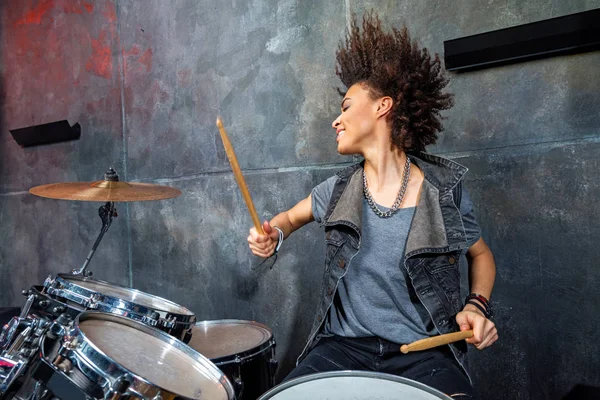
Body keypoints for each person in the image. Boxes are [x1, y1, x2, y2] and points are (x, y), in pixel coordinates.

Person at [247, 12, 497, 399]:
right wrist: (273, 234)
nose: (336, 120)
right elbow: (287, 220)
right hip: (341, 349)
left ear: (383, 106)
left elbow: (481, 256)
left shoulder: (445, 192)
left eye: (346, 107)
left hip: (424, 355)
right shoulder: (336, 190)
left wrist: (477, 308)